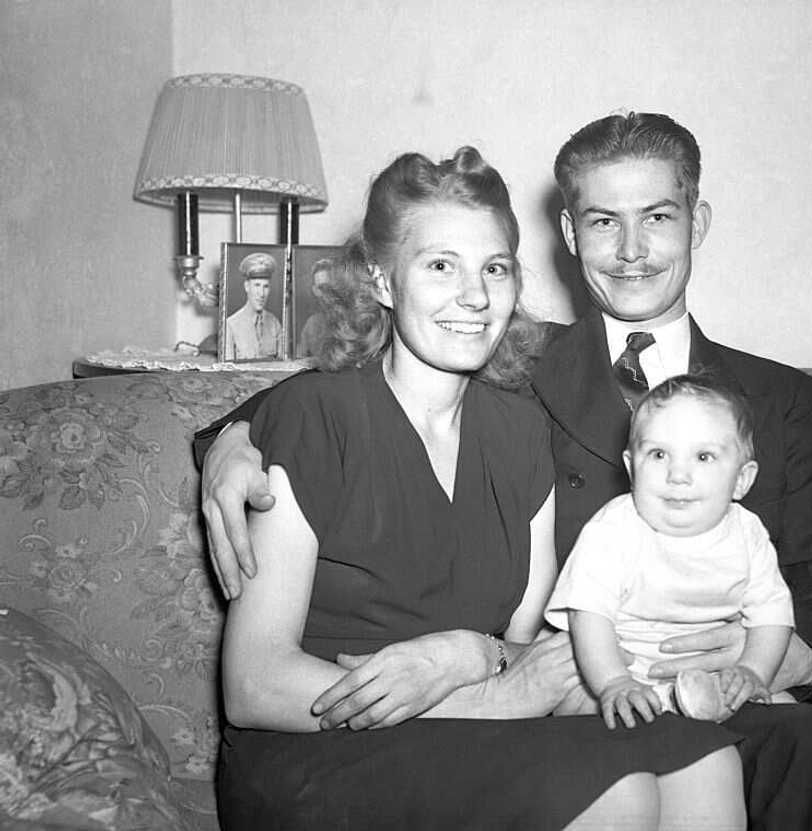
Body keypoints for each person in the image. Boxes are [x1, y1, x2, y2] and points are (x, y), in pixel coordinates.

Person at [196, 113, 812, 830]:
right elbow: (347, 403)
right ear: (570, 234)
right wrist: (231, 441)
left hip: (765, 668)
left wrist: (768, 661)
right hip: (613, 686)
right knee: (797, 756)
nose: (634, 248)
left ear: (699, 222)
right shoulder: (521, 370)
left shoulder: (777, 395)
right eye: (605, 220)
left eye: (659, 216)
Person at [214, 145, 745, 831]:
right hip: (318, 750)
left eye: (495, 268)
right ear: (381, 279)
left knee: (704, 757)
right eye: (441, 265)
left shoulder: (522, 431)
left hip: (468, 731)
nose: (475, 296)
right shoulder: (314, 417)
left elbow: (529, 652)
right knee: (619, 792)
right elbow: (253, 685)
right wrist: (479, 697)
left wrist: (475, 655)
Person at [545, 374, 795, 729]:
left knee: (787, 713)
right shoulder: (613, 529)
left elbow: (772, 614)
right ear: (632, 468)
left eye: (704, 456)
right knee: (577, 702)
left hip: (708, 677)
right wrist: (613, 682)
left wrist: (752, 671)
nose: (678, 474)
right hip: (619, 670)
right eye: (659, 454)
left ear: (742, 480)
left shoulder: (748, 532)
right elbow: (588, 616)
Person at [224, 252, 282, 359]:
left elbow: (284, 365)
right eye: (256, 285)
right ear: (247, 287)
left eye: (266, 286)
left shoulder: (275, 324)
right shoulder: (231, 325)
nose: (261, 293)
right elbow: (228, 370)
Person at [295, 257, 333, 357]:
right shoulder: (311, 325)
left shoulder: (353, 321)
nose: (325, 293)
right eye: (320, 288)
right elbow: (300, 359)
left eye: (328, 287)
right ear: (315, 291)